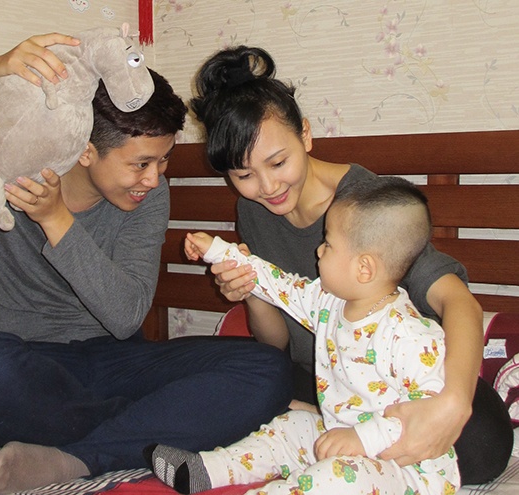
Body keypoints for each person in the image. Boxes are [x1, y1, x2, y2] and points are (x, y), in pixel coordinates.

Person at [0, 34, 293, 494]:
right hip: (21, 366)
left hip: (113, 361)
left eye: (165, 159)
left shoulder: (149, 197)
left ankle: (80, 456)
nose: (155, 178)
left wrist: (58, 222)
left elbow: (125, 314)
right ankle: (148, 424)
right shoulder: (11, 163)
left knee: (267, 369)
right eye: (141, 164)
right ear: (86, 150)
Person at [186, 45, 513, 485]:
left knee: (483, 446)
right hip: (320, 377)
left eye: (278, 162)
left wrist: (453, 401)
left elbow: (459, 302)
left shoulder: (364, 204)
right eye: (243, 175)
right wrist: (252, 290)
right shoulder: (253, 212)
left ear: (305, 135)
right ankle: (332, 443)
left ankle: (343, 446)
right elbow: (275, 342)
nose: (267, 186)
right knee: (230, 389)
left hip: (397, 379)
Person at [147, 176, 460, 495]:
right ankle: (208, 469)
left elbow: (426, 413)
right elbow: (277, 283)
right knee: (290, 426)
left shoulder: (411, 335)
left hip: (404, 470)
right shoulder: (329, 302)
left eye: (328, 243)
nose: (318, 250)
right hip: (341, 433)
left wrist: (362, 439)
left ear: (364, 268)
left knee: (335, 477)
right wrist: (218, 251)